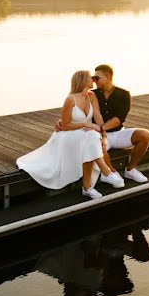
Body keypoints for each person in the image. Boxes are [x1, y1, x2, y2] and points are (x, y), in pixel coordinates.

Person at [17, 70, 125, 200]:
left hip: (86, 135)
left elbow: (98, 116)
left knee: (91, 139)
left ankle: (89, 187)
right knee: (91, 137)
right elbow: (66, 125)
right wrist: (86, 124)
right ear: (83, 80)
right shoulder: (70, 99)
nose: (94, 80)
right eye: (91, 78)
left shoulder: (92, 96)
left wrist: (104, 135)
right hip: (67, 135)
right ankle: (105, 172)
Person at [90, 63, 149, 184]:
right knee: (93, 144)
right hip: (99, 136)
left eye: (97, 78)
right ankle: (111, 172)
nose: (94, 81)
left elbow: (119, 118)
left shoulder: (124, 94)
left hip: (118, 134)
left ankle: (131, 169)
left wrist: (102, 128)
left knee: (145, 135)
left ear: (108, 77)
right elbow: (78, 108)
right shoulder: (92, 94)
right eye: (93, 78)